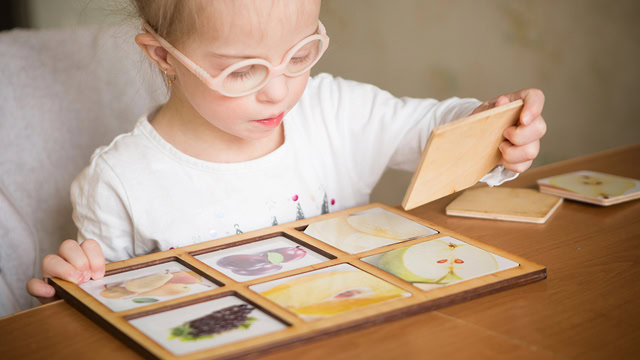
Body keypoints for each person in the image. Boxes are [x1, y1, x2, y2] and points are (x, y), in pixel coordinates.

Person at [27, 0, 546, 301]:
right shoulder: (120, 182)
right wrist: (77, 290)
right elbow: (113, 313)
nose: (279, 90)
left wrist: (496, 129)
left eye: (300, 54)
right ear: (164, 56)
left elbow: (435, 128)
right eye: (243, 70)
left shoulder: (332, 111)